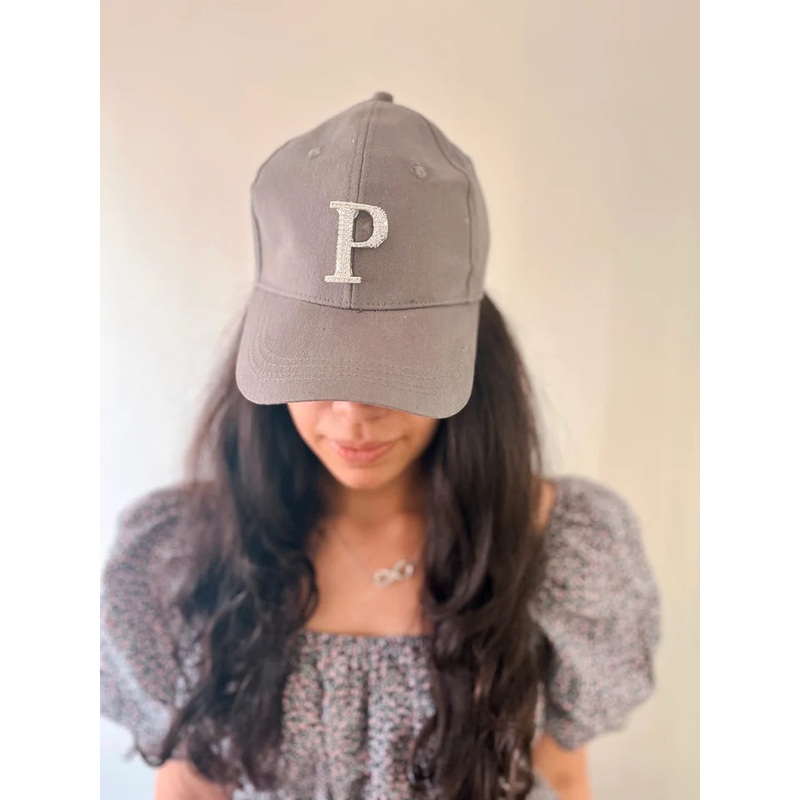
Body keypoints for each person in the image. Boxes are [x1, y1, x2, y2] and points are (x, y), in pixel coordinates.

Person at [100, 91, 661, 800]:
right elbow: (188, 786)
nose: (353, 413)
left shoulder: (560, 546)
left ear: (470, 354)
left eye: (396, 367)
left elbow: (561, 774)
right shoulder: (184, 552)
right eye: (315, 364)